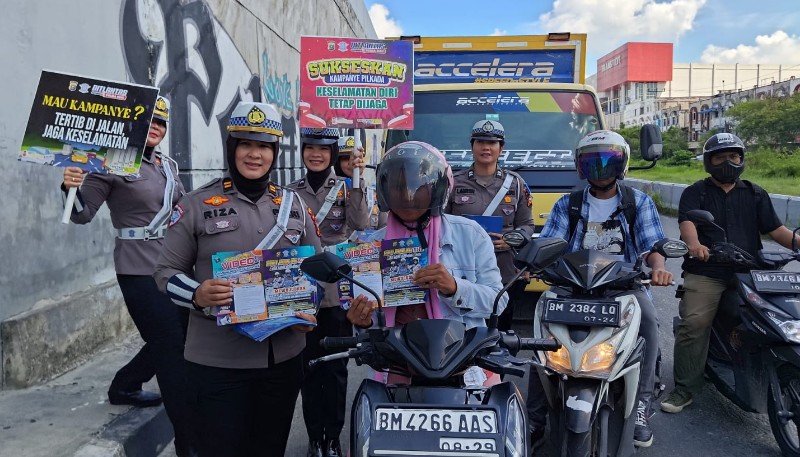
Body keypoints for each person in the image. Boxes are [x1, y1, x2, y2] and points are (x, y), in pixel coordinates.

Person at [153, 101, 321, 457]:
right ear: (231, 147)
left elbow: (318, 271)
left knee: (269, 448)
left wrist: (311, 307)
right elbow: (165, 273)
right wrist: (197, 293)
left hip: (282, 358)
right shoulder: (196, 204)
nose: (254, 154)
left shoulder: (293, 206)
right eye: (245, 144)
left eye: (264, 146)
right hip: (217, 361)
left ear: (275, 152)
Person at [60, 96, 195, 455]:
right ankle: (190, 440)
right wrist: (70, 187)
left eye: (161, 122)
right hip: (138, 268)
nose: (156, 127)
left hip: (174, 264)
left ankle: (125, 384)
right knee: (171, 349)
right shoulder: (109, 163)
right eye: (150, 120)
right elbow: (81, 214)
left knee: (175, 334)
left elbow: (182, 211)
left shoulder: (167, 165)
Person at [526, 130, 673, 448]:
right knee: (543, 335)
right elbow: (550, 242)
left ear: (622, 165)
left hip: (623, 287)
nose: (601, 169)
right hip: (573, 286)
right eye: (592, 162)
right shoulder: (568, 204)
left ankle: (641, 408)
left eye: (609, 162)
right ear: (581, 167)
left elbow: (651, 246)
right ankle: (535, 416)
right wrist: (533, 262)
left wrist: (659, 268)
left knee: (649, 323)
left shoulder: (638, 202)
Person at [661, 132, 799, 414]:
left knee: (779, 317)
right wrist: (695, 245)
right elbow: (688, 224)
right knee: (695, 322)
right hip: (707, 270)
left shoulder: (755, 193)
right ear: (708, 162)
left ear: (742, 159)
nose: (728, 162)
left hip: (750, 271)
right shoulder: (696, 192)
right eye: (720, 157)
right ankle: (685, 388)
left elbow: (777, 231)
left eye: (734, 156)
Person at [344, 140, 508, 339]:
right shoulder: (372, 246)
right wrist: (365, 320)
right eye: (398, 186)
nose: (407, 195)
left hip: (457, 350)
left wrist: (454, 288)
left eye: (418, 186)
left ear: (438, 189)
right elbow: (374, 324)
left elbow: (498, 302)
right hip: (395, 351)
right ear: (384, 190)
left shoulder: (470, 234)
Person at [288, 128, 368, 457]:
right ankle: (314, 437)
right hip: (302, 290)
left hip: (337, 292)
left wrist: (359, 182)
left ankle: (332, 439)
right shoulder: (290, 192)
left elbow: (361, 224)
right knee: (307, 367)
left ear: (333, 154)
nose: (316, 154)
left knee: (335, 370)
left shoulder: (348, 187)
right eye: (310, 148)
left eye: (323, 149)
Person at [444, 120, 534, 331]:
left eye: (492, 143)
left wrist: (512, 240)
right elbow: (440, 223)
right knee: (461, 329)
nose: (486, 147)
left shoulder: (516, 184)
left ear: (501, 148)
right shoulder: (453, 182)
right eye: (481, 142)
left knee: (500, 329)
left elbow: (527, 225)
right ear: (472, 146)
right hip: (463, 268)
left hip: (504, 270)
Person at [335, 134, 387, 234]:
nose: (352, 163)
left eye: (356, 158)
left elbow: (384, 228)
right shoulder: (328, 191)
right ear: (337, 161)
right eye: (346, 158)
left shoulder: (373, 193)